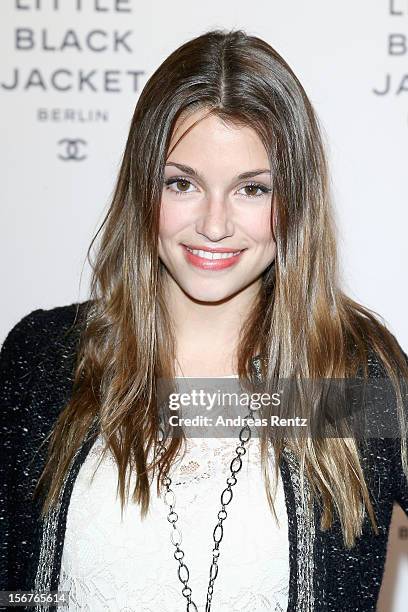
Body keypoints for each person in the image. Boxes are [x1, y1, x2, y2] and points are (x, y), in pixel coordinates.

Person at [1, 28, 408, 612]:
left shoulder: (348, 378)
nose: (214, 225)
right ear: (143, 186)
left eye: (251, 189)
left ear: (295, 200)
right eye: (183, 183)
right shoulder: (44, 361)